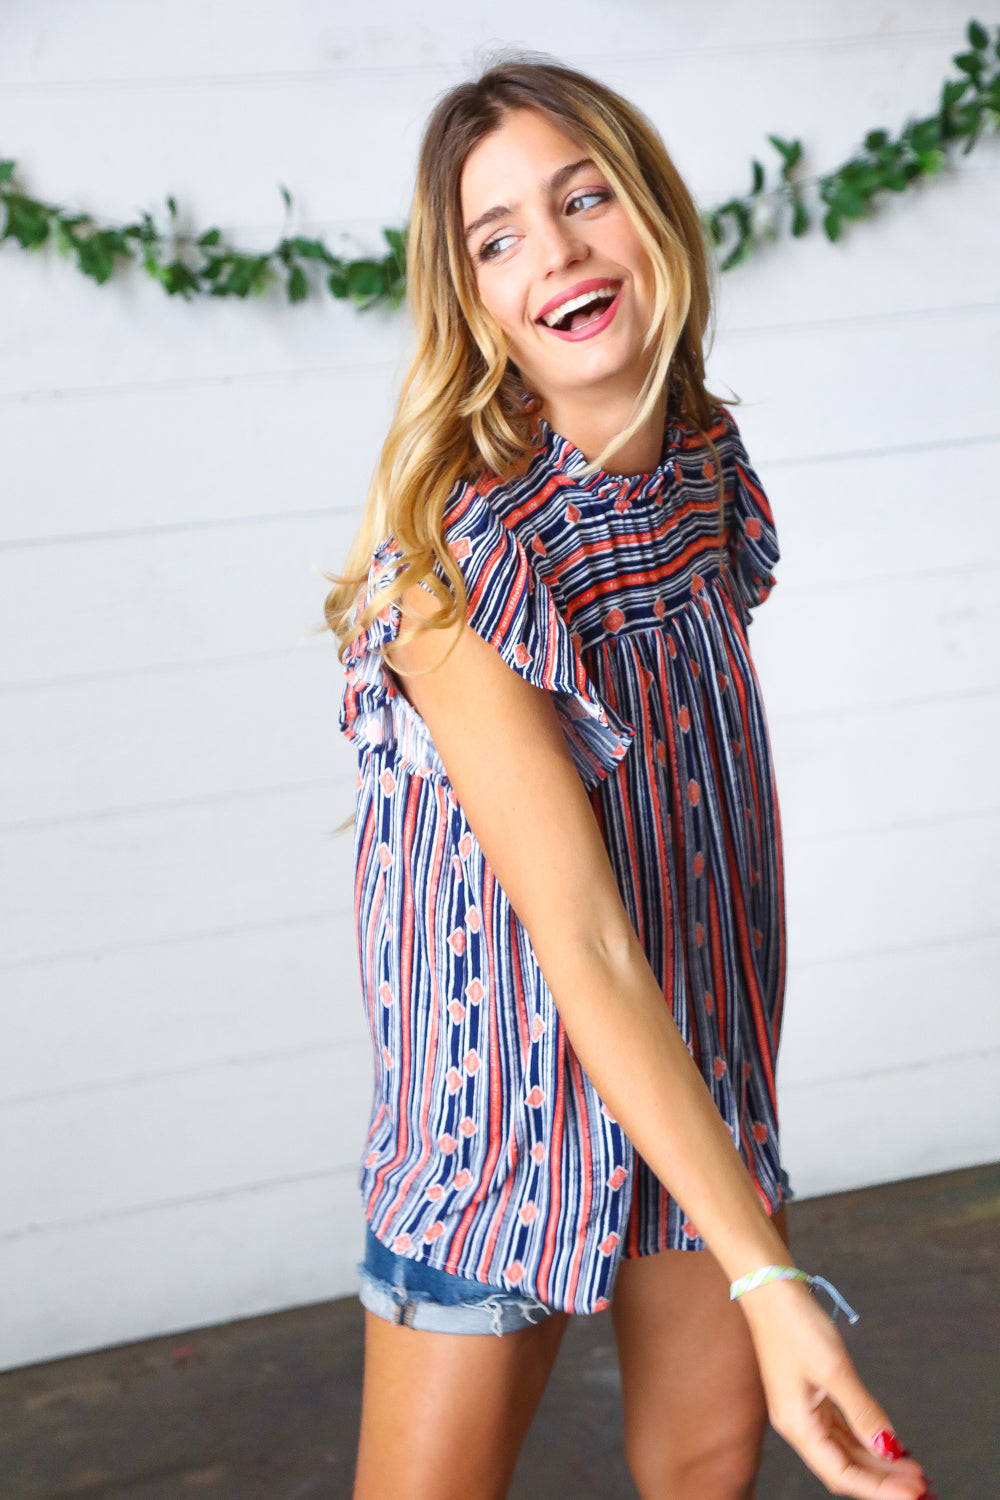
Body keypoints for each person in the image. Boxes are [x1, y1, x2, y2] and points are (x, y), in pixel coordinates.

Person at [324, 55, 931, 1500]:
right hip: (504, 1116)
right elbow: (585, 940)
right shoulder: (457, 564)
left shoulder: (705, 470)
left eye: (585, 197)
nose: (557, 251)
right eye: (498, 239)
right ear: (472, 303)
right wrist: (772, 1284)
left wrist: (744, 1230)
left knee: (708, 1466)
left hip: (691, 1085)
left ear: (653, 215)